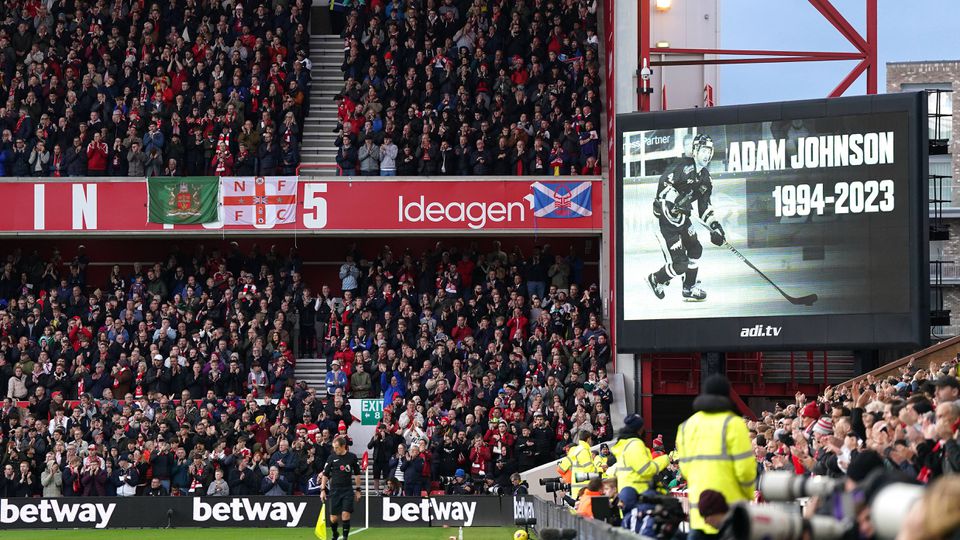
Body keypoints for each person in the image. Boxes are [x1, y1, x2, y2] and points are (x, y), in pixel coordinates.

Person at [675, 375, 755, 539]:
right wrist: (747, 497)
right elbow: (745, 471)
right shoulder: (734, 424)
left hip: (700, 515)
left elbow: (685, 470)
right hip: (730, 515)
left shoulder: (685, 427)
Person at [647, 134, 725, 302]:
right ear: (695, 151)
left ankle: (689, 288)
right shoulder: (682, 166)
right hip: (665, 221)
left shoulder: (705, 178)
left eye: (709, 151)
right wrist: (675, 199)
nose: (706, 154)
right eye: (703, 150)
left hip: (683, 218)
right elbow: (663, 186)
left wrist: (715, 226)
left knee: (696, 249)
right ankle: (656, 279)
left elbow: (704, 206)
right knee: (680, 265)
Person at [606, 413, 669, 493]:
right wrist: (665, 459)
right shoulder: (635, 444)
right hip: (638, 490)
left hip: (626, 489)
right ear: (640, 428)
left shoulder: (623, 443)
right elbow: (646, 470)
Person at [320, 436, 362, 540]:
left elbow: (357, 475)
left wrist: (358, 490)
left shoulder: (352, 457)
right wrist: (322, 490)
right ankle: (335, 533)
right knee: (333, 519)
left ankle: (345, 537)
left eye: (337, 447)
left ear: (344, 446)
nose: (335, 449)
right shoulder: (331, 458)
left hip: (347, 490)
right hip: (335, 491)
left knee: (345, 515)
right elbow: (325, 474)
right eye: (334, 447)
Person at [557, 430, 598, 495]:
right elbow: (590, 470)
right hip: (584, 489)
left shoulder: (575, 450)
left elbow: (561, 468)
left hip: (576, 489)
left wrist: (569, 477)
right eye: (590, 439)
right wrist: (601, 470)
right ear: (588, 439)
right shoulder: (584, 451)